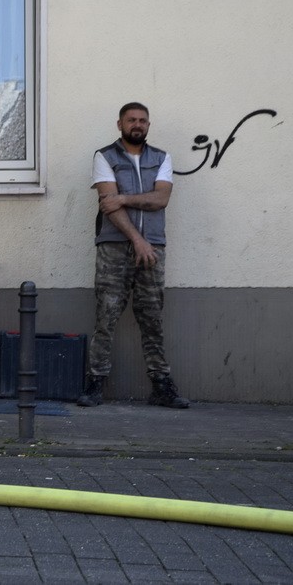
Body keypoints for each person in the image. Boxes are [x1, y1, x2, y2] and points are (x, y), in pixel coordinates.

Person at [77, 101, 189, 409]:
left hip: (153, 247)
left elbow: (161, 198)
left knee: (152, 318)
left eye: (142, 120)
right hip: (114, 247)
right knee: (106, 316)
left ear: (148, 125)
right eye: (131, 120)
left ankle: (161, 385)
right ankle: (95, 382)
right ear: (120, 124)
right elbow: (107, 206)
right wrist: (136, 238)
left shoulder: (162, 158)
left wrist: (123, 198)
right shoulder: (104, 156)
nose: (136, 125)